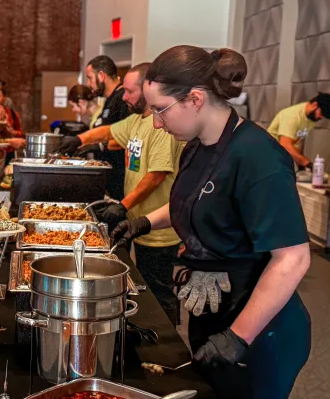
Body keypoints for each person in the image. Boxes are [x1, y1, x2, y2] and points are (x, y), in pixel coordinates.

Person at [112, 46, 311, 398]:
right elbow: (194, 204)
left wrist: (238, 337)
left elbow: (293, 258)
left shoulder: (259, 157)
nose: (156, 122)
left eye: (160, 109)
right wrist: (142, 223)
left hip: (260, 329)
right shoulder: (196, 145)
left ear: (195, 99)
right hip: (214, 310)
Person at [59, 63, 184, 324]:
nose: (124, 97)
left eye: (129, 91)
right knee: (146, 287)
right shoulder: (137, 120)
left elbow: (156, 175)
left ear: (147, 90)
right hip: (140, 222)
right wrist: (80, 140)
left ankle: (169, 341)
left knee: (160, 292)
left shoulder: (161, 127)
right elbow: (109, 131)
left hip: (159, 229)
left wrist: (123, 205)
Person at [59, 55, 130, 200]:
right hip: (110, 177)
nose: (88, 83)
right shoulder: (109, 100)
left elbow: (128, 137)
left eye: (90, 78)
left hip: (120, 177)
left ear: (101, 76)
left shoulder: (121, 99)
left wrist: (98, 146)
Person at [267, 92, 330, 169]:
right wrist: (307, 163)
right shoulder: (292, 116)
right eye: (322, 113)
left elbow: (299, 141)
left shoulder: (311, 120)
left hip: (282, 157)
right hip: (269, 155)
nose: (322, 117)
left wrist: (301, 165)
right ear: (314, 105)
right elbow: (285, 145)